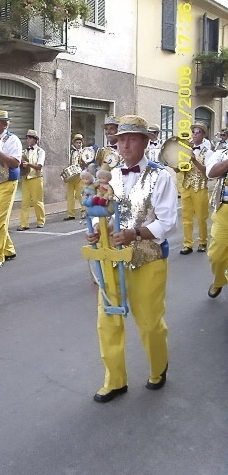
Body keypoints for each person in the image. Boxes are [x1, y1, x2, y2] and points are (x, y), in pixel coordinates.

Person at [87, 115, 177, 403]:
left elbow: (167, 223)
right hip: (111, 259)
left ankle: (158, 368)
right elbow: (101, 213)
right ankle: (114, 381)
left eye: (131, 139)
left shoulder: (162, 176)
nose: (124, 145)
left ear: (145, 142)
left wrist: (135, 233)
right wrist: (97, 231)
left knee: (149, 323)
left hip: (147, 259)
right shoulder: (109, 176)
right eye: (120, 139)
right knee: (108, 321)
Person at [0, 110, 22, 270]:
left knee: (0, 221)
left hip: (7, 183)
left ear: (5, 124)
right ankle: (8, 249)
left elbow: (15, 163)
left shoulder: (13, 140)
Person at [179, 122, 213, 255]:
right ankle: (187, 244)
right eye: (193, 132)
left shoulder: (208, 152)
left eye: (198, 132)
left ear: (203, 134)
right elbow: (179, 168)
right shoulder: (185, 150)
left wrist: (194, 160)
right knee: (186, 218)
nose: (194, 134)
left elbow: (207, 171)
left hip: (200, 187)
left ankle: (203, 242)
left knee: (201, 218)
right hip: (186, 186)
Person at [205, 144, 228, 298]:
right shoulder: (221, 153)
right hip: (224, 210)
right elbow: (211, 173)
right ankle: (219, 280)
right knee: (216, 256)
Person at [17, 129, 46, 231]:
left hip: (36, 178)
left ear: (35, 140)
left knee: (37, 201)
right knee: (24, 203)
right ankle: (24, 224)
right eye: (27, 138)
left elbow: (39, 166)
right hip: (26, 179)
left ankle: (40, 221)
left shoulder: (40, 151)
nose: (28, 140)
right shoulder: (23, 152)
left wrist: (28, 164)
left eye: (30, 138)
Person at [63, 134, 85, 221]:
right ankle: (70, 214)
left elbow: (86, 164)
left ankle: (84, 211)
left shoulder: (84, 152)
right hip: (72, 176)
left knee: (80, 195)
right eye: (77, 142)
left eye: (80, 142)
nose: (78, 144)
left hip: (80, 176)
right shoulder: (72, 152)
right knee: (70, 195)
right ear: (74, 143)